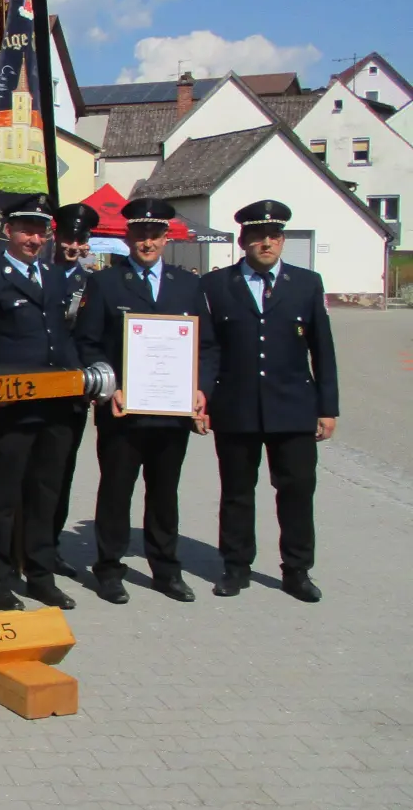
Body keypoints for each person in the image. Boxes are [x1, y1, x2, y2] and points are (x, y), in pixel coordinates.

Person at [74, 198, 215, 605]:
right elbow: (87, 343)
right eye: (139, 234)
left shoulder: (188, 284)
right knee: (116, 492)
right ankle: (109, 569)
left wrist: (201, 388)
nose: (147, 242)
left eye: (154, 234)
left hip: (172, 413)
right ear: (128, 236)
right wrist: (110, 386)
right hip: (123, 412)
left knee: (165, 493)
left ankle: (166, 570)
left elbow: (207, 346)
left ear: (166, 238)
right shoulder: (105, 283)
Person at [201, 200, 337, 603]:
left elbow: (323, 349)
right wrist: (202, 397)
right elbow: (208, 349)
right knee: (237, 492)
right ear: (243, 240)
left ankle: (297, 570)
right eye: (258, 236)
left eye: (274, 236)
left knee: (297, 491)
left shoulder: (307, 283)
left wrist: (327, 407)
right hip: (236, 406)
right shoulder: (216, 285)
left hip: (293, 407)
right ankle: (235, 567)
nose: (266, 243)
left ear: (282, 241)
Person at [0, 194, 80, 612]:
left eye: (40, 231)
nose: (34, 239)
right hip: (11, 407)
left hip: (56, 405)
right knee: (3, 494)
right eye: (26, 230)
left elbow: (61, 336)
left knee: (46, 494)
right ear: (8, 231)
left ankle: (41, 574)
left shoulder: (57, 277)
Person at [49, 202, 100, 578]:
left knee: (62, 472)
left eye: (80, 239)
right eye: (68, 237)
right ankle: (17, 546)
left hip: (73, 392)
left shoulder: (93, 283)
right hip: (36, 386)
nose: (73, 246)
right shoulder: (39, 275)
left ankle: (48, 545)